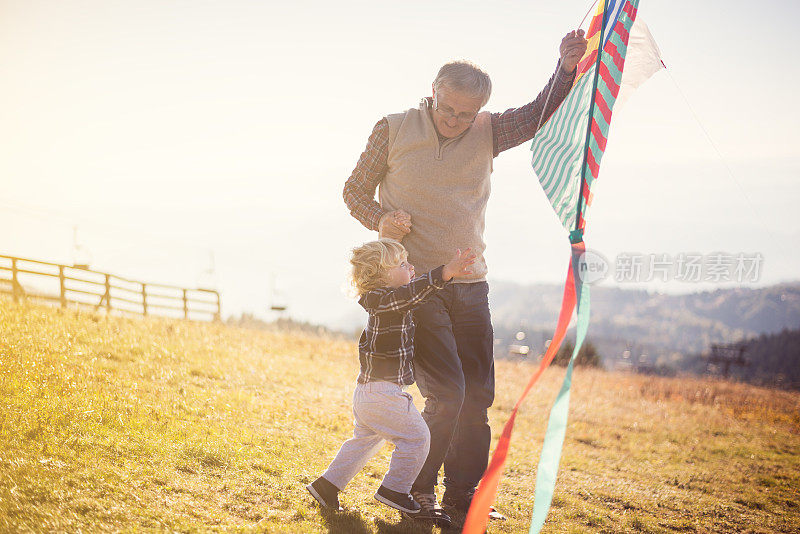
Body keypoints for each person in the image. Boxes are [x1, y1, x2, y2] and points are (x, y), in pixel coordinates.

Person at [342, 31, 588, 521]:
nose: (455, 121)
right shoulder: (391, 128)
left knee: (476, 396)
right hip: (415, 285)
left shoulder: (489, 131)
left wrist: (564, 68)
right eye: (447, 109)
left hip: (471, 286)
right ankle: (416, 490)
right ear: (432, 91)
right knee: (447, 393)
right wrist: (380, 221)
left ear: (480, 108)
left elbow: (539, 114)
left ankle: (463, 500)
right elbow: (353, 192)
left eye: (466, 113)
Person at [306, 238, 476, 522]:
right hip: (383, 394)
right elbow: (411, 294)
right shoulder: (385, 301)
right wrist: (444, 272)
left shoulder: (386, 300)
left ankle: (326, 486)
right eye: (401, 264)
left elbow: (411, 291)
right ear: (382, 277)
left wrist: (427, 278)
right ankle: (394, 489)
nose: (410, 267)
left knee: (364, 442)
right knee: (419, 438)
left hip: (368, 394)